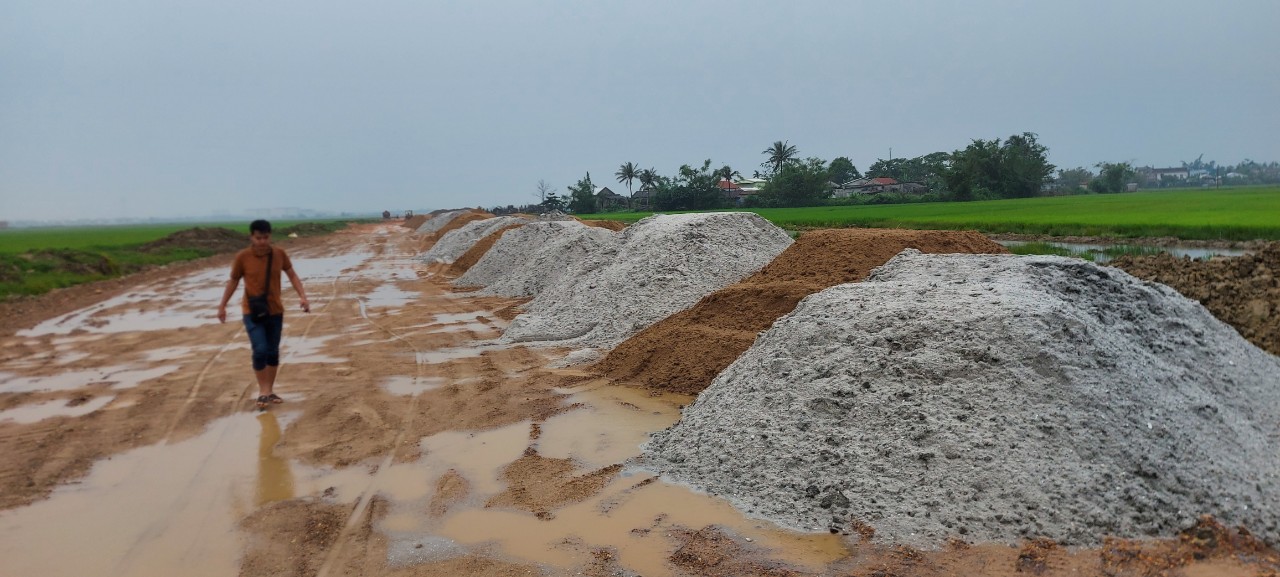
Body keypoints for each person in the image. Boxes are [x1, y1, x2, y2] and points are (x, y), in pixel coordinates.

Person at [217, 219, 310, 409]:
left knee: (272, 352)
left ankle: (269, 390)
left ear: (270, 236)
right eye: (258, 238)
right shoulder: (242, 257)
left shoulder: (279, 254)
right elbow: (233, 281)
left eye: (265, 238)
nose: (262, 242)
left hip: (275, 310)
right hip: (252, 311)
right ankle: (262, 392)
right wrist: (222, 306)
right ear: (252, 237)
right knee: (260, 350)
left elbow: (292, 274)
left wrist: (303, 296)